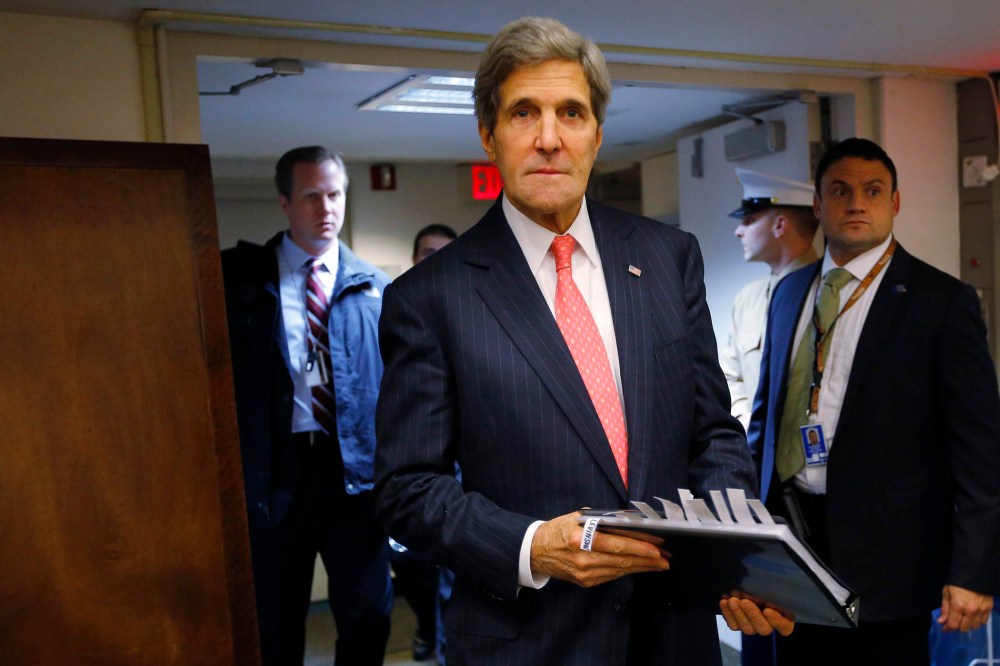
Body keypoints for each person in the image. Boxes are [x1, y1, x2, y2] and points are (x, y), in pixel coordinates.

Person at [374, 17, 791, 665]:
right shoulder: (431, 296)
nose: (548, 138)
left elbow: (711, 432)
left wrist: (737, 554)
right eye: (523, 114)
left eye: (571, 112)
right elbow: (408, 489)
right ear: (489, 135)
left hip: (672, 633)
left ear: (597, 134)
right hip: (530, 639)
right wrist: (531, 545)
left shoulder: (667, 257)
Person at [748, 137, 1000, 664]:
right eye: (839, 191)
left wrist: (973, 571)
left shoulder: (940, 302)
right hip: (790, 544)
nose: (856, 203)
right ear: (818, 205)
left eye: (872, 191)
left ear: (895, 203)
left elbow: (981, 451)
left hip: (890, 561)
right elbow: (764, 421)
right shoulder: (789, 293)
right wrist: (746, 529)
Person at [222, 146, 393, 665]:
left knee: (368, 615)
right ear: (284, 203)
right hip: (277, 473)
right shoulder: (241, 280)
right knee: (274, 620)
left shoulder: (375, 287)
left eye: (335, 194)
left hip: (353, 477)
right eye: (312, 196)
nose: (326, 208)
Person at [390, 222, 459, 662]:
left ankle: (444, 644)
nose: (432, 261)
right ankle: (427, 626)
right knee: (414, 570)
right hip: (413, 472)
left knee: (455, 574)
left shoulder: (474, 318)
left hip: (465, 477)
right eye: (425, 252)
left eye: (442, 253)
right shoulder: (398, 312)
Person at [720, 168, 819, 432]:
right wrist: (744, 417)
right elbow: (730, 374)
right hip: (758, 454)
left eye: (749, 220)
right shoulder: (748, 300)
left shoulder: (831, 293)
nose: (739, 231)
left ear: (780, 225)